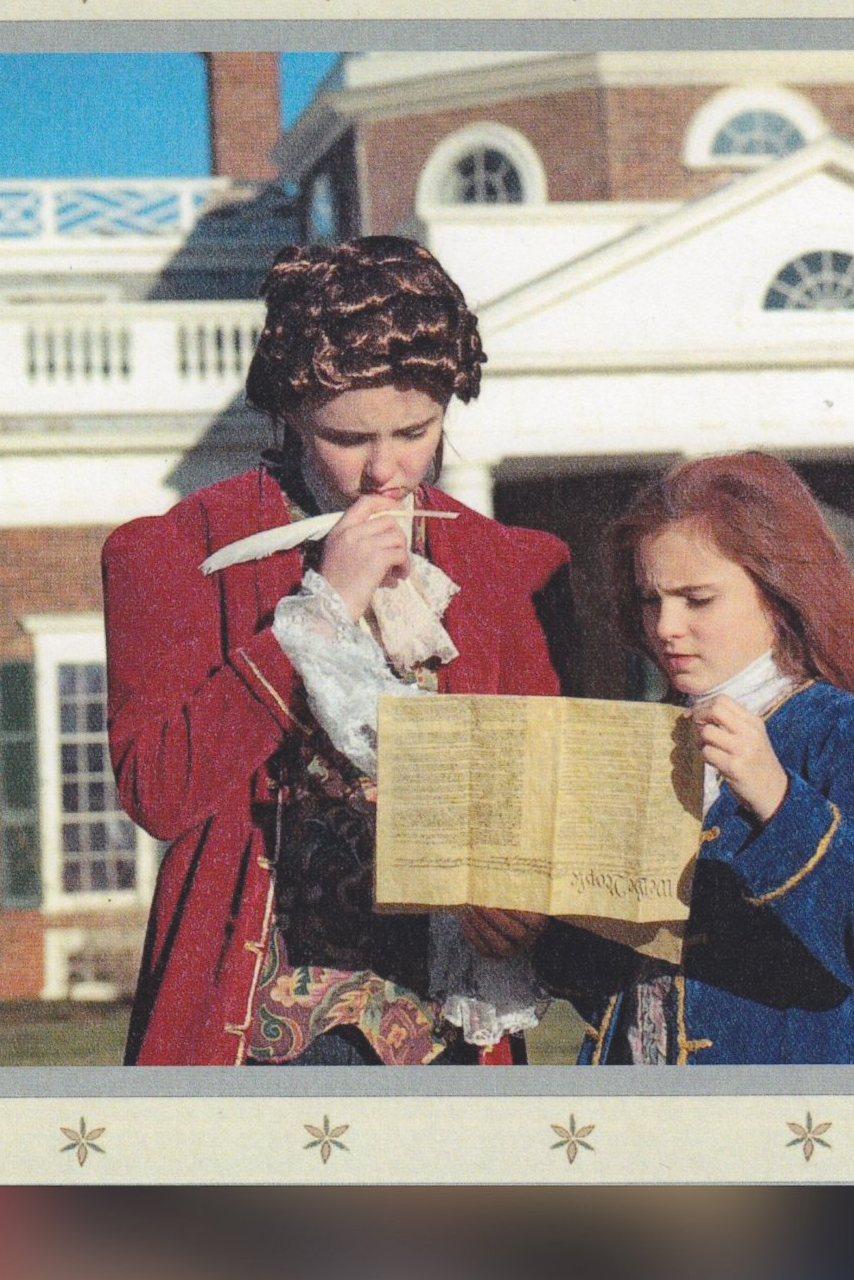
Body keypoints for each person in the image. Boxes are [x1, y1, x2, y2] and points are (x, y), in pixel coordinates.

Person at [101, 237, 569, 1067]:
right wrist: (324, 612)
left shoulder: (508, 565)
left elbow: (540, 793)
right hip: (262, 1033)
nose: (384, 470)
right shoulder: (178, 553)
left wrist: (521, 895)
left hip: (449, 1032)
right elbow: (159, 791)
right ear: (288, 411)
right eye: (347, 437)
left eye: (415, 431)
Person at [536, 452, 854, 1063]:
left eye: (697, 599)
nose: (666, 626)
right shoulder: (637, 742)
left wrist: (778, 798)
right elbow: (603, 981)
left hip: (791, 1113)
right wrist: (528, 923)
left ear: (778, 596)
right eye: (651, 599)